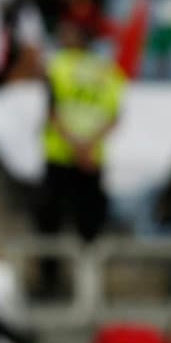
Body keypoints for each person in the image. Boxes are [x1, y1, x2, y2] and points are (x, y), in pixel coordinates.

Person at [34, 19, 126, 298]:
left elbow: (52, 111)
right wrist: (88, 146)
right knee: (89, 228)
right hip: (91, 157)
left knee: (52, 223)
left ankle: (51, 286)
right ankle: (88, 291)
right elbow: (113, 115)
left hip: (62, 156)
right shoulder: (107, 71)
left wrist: (75, 145)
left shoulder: (58, 65)